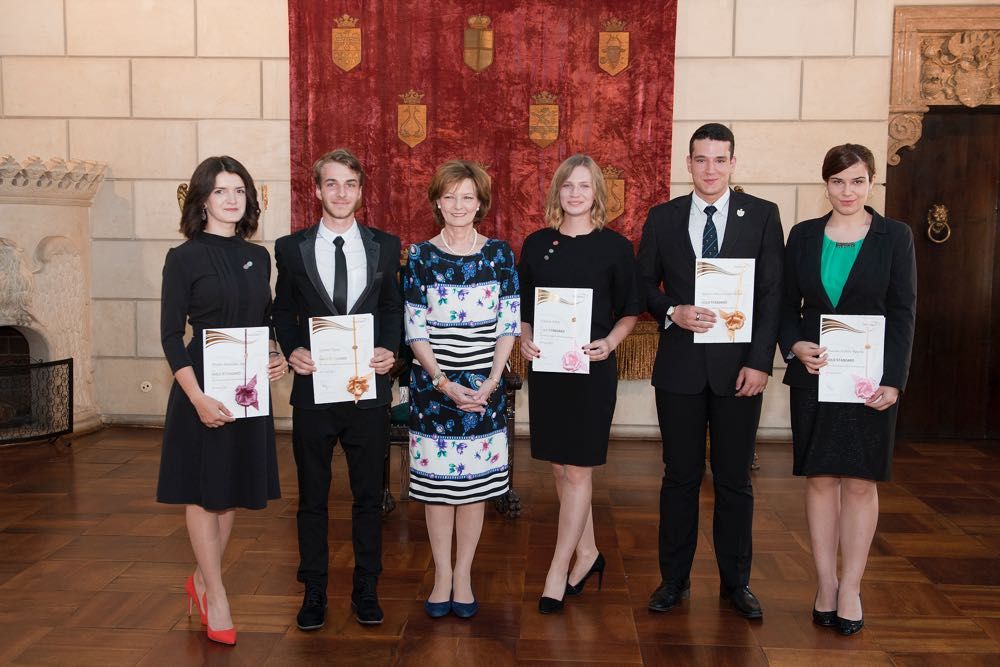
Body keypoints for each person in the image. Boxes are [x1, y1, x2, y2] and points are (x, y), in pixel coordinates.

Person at [637, 123, 784, 619]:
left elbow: (771, 296)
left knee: (734, 480)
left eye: (720, 160)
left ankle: (735, 584)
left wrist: (761, 363)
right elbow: (643, 286)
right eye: (701, 159)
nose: (710, 169)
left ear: (733, 163)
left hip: (740, 372)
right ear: (688, 164)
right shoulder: (663, 218)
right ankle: (673, 581)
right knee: (678, 478)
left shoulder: (763, 216)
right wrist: (671, 310)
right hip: (679, 370)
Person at [780, 144, 916, 635]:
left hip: (869, 381)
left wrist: (894, 381)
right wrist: (794, 343)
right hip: (814, 376)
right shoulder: (802, 236)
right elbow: (784, 306)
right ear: (826, 185)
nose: (847, 191)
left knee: (860, 483)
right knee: (820, 479)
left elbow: (903, 313)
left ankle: (852, 586)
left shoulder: (894, 237)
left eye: (857, 181)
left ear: (871, 182)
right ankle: (825, 584)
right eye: (838, 182)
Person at [157, 156, 285, 646]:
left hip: (248, 386)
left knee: (229, 491)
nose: (233, 200)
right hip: (202, 386)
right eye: (221, 192)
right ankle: (217, 595)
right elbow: (171, 336)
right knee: (203, 492)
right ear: (203, 201)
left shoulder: (260, 256)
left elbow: (265, 318)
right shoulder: (183, 257)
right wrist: (196, 399)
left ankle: (201, 580)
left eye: (240, 191)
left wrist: (275, 355)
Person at [272, 148, 402, 629]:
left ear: (361, 191)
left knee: (369, 498)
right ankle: (315, 591)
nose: (341, 193)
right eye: (331, 183)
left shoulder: (386, 246)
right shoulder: (290, 249)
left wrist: (391, 349)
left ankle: (366, 588)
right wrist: (291, 349)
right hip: (314, 394)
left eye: (350, 184)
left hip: (369, 392)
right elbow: (282, 309)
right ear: (317, 189)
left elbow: (392, 307)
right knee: (312, 498)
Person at [518, 154, 640, 614]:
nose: (574, 193)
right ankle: (588, 552)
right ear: (557, 192)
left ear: (597, 194)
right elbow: (523, 309)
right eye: (567, 185)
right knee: (558, 467)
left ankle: (558, 567)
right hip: (548, 370)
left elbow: (630, 308)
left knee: (579, 469)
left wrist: (610, 342)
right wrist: (525, 340)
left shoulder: (615, 247)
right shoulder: (536, 244)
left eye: (584, 186)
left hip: (592, 370)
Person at [402, 160, 520, 619]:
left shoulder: (499, 254)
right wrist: (443, 382)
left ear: (480, 204)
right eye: (450, 196)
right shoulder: (419, 256)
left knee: (472, 490)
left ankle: (464, 574)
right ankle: (441, 576)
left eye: (467, 196)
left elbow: (508, 323)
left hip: (485, 390)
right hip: (434, 389)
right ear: (437, 201)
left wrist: (491, 382)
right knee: (437, 491)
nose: (458, 205)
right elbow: (415, 329)